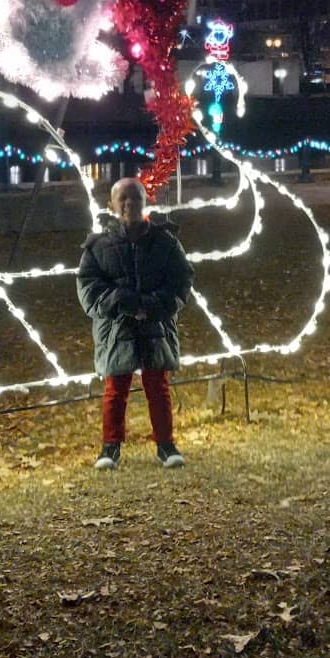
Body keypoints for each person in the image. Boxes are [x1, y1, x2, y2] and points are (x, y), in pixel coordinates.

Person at [77, 176, 193, 469]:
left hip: (156, 325)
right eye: (123, 198)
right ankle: (110, 446)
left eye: (135, 198)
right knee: (115, 387)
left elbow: (181, 281)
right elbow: (89, 287)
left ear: (145, 202)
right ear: (111, 205)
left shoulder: (165, 242)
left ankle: (165, 444)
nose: (129, 204)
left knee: (158, 385)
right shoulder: (98, 246)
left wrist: (154, 306)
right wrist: (121, 303)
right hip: (117, 328)